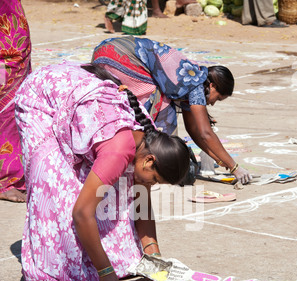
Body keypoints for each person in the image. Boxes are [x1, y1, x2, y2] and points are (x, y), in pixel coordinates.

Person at [14, 61, 190, 281]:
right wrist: (105, 271)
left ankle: (106, 258)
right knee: (54, 185)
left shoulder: (148, 138)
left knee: (119, 188)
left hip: (75, 95)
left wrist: (154, 257)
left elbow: (141, 204)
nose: (152, 185)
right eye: (155, 180)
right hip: (43, 97)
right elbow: (82, 213)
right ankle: (48, 274)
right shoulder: (120, 150)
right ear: (149, 161)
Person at [92, 36, 252, 184]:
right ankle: (140, 159)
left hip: (105, 51)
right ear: (212, 86)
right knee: (160, 107)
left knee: (128, 105)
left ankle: (114, 150)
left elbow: (194, 131)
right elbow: (205, 133)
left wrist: (218, 159)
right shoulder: (197, 84)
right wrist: (235, 167)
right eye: (217, 98)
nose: (213, 103)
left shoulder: (190, 82)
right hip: (120, 57)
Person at [0, 0, 31, 203]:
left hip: (14, 50)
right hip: (6, 55)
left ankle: (12, 174)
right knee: (5, 114)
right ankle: (5, 180)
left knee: (13, 112)